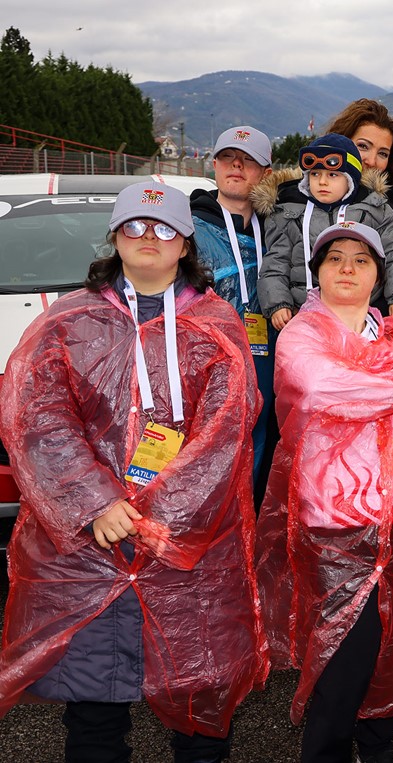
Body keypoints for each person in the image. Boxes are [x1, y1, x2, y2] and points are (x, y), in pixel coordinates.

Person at [0, 181, 264, 762]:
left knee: (200, 714)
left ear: (185, 242)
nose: (150, 238)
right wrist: (96, 503)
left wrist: (161, 518)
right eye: (136, 226)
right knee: (94, 717)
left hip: (190, 545)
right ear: (116, 236)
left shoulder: (217, 325)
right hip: (92, 542)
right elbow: (38, 419)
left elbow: (226, 428)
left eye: (164, 227)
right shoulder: (67, 321)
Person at [255, 221, 393, 763]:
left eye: (361, 260)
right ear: (315, 272)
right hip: (340, 517)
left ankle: (379, 744)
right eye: (335, 258)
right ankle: (326, 749)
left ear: (379, 273)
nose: (347, 268)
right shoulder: (301, 334)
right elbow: (321, 386)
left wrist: (374, 383)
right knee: (345, 648)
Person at [190, 124, 277, 497]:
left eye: (248, 161)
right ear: (214, 165)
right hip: (212, 357)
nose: (236, 166)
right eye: (228, 158)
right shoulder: (188, 227)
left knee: (267, 447)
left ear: (266, 174)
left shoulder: (278, 227)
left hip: (270, 355)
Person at [255, 133, 393, 331]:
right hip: (304, 317)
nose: (322, 182)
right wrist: (278, 303)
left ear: (351, 179)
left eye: (332, 175)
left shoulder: (375, 211)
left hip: (362, 317)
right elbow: (275, 263)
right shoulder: (288, 215)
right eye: (315, 174)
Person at [324, 99, 393, 244]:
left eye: (383, 154)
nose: (371, 161)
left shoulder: (389, 213)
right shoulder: (296, 195)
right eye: (363, 146)